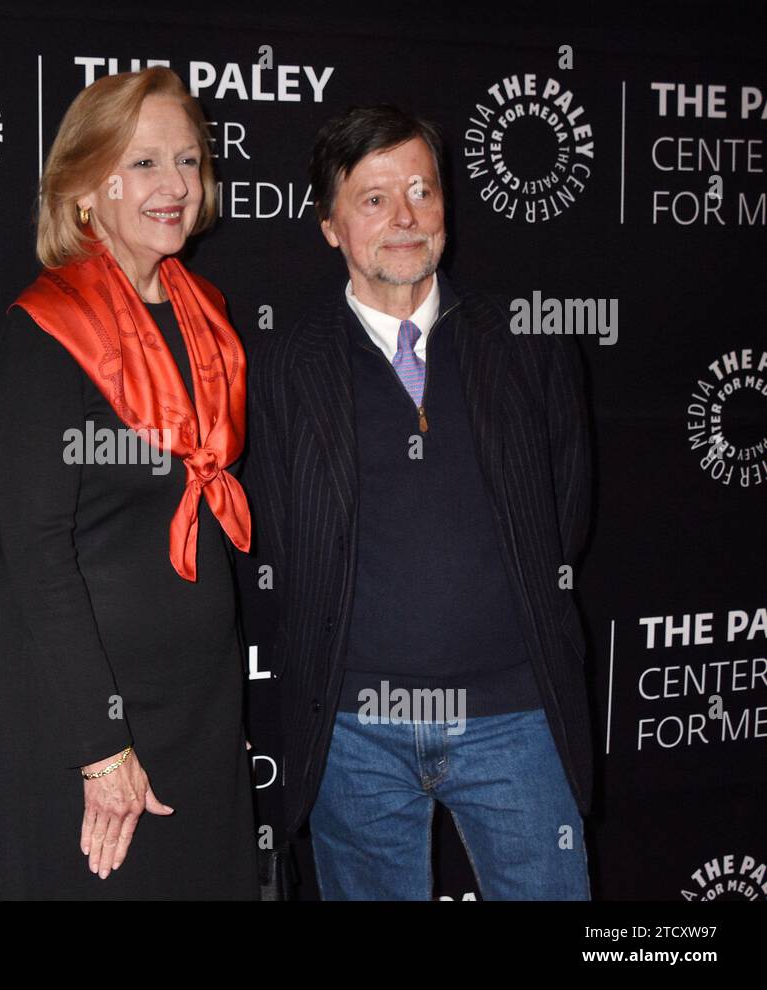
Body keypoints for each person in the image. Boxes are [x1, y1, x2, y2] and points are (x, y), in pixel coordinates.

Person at [247, 105, 593, 900]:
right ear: (331, 224)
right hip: (353, 734)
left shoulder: (529, 341)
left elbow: (563, 516)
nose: (404, 218)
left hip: (517, 719)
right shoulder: (282, 369)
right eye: (373, 199)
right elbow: (280, 542)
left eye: (421, 191)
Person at [0, 67, 258, 899]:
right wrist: (102, 745)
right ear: (82, 188)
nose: (175, 185)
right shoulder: (44, 331)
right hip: (90, 704)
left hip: (200, 699)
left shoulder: (203, 310)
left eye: (187, 160)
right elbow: (37, 552)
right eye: (143, 164)